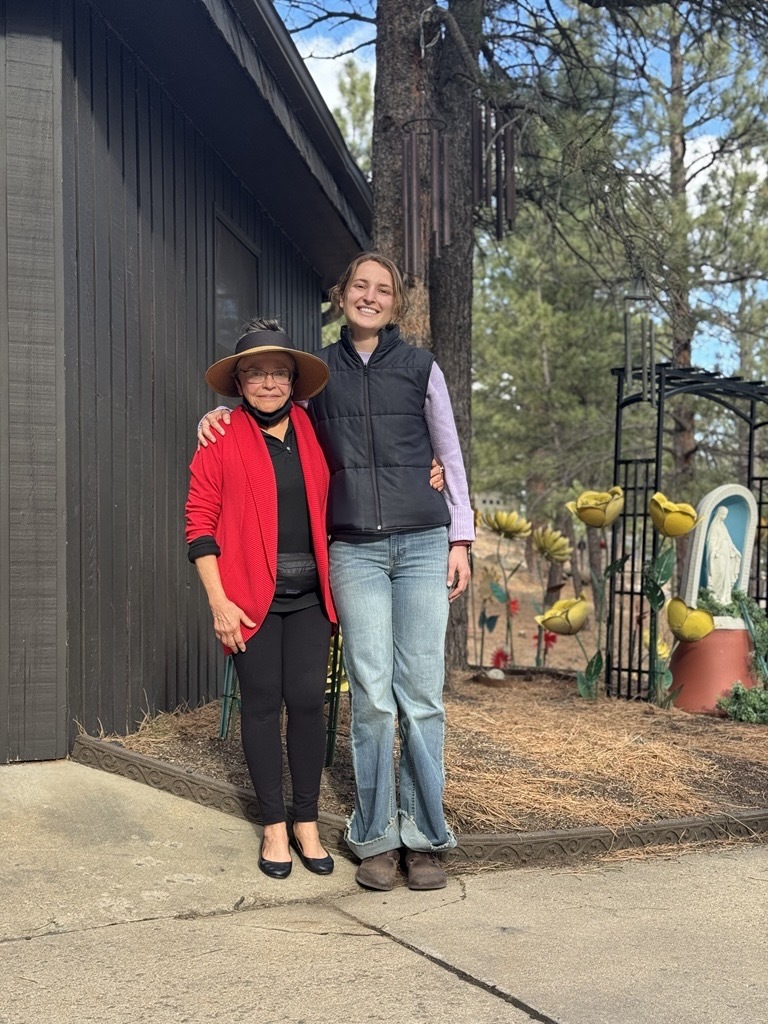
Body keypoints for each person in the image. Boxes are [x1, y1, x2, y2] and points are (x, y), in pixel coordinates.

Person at [199, 253, 474, 892]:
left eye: (383, 290)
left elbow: (450, 453)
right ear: (341, 296)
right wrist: (216, 418)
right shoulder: (317, 378)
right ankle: (376, 835)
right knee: (373, 699)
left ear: (395, 304)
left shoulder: (421, 367)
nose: (370, 298)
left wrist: (460, 535)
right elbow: (271, 423)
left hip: (423, 544)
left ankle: (426, 836)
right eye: (360, 287)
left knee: (423, 697)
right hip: (352, 550)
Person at [186, 319, 338, 880]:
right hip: (248, 597)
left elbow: (361, 467)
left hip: (310, 598)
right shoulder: (219, 435)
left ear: (293, 381)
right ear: (239, 382)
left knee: (305, 703)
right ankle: (273, 826)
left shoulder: (314, 428)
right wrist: (218, 602)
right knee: (260, 704)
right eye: (255, 372)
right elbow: (199, 523)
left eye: (279, 372)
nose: (268, 382)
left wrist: (430, 469)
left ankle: (306, 822)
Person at [706, 505, 741, 605]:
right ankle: (716, 595)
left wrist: (734, 550)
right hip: (718, 555)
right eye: (723, 514)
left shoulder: (723, 526)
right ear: (719, 514)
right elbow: (711, 541)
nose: (724, 516)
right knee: (719, 573)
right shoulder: (714, 526)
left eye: (726, 515)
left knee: (726, 575)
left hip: (725, 555)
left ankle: (724, 597)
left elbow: (729, 541)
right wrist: (714, 550)